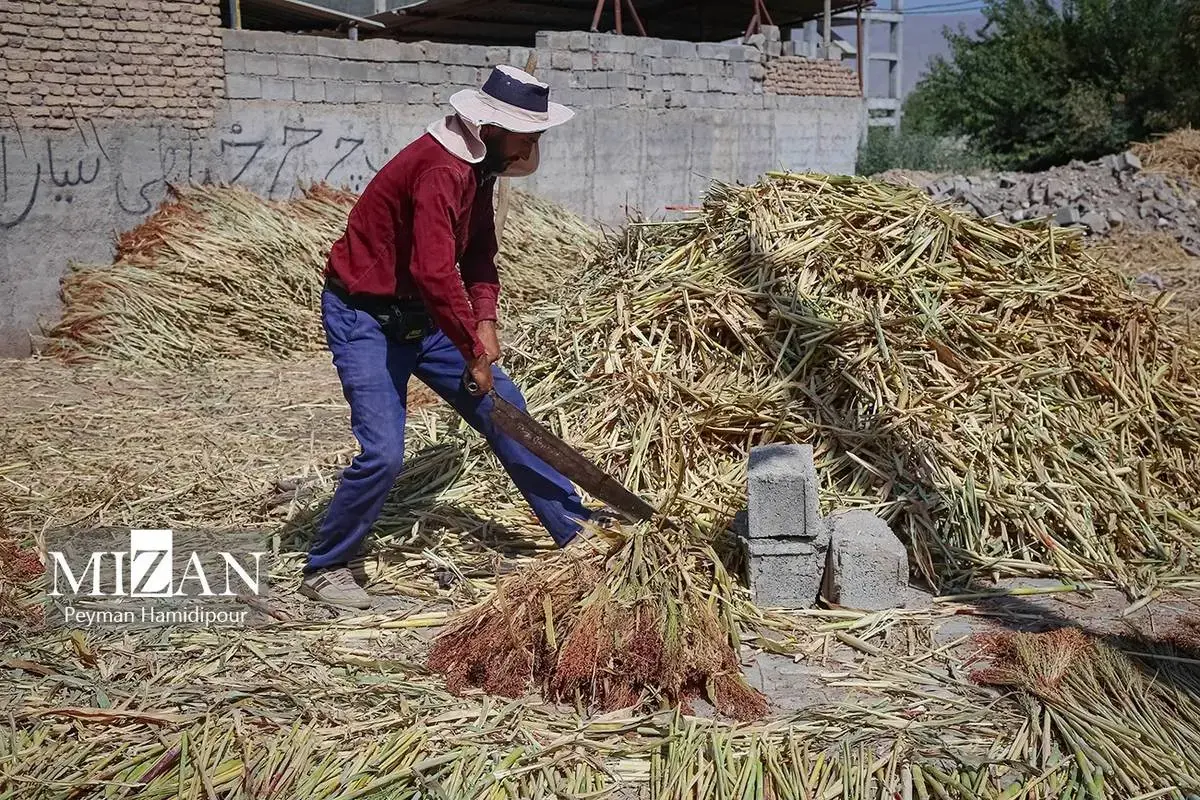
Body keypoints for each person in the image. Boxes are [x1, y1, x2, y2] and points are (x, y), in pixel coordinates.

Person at [302, 65, 602, 610]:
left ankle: (576, 532)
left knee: (506, 412)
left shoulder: (480, 170)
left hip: (425, 316)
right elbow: (434, 271)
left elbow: (480, 254)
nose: (532, 146)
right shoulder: (441, 169)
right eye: (527, 135)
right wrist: (472, 352)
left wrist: (485, 320)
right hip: (367, 317)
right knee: (384, 453)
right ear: (492, 129)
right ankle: (327, 567)